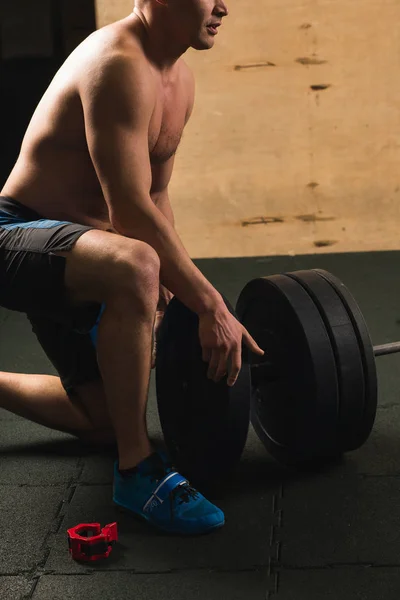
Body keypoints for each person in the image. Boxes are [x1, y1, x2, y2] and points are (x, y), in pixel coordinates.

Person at [0, 0, 263, 535]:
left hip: (83, 252)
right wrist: (209, 304)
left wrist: (171, 293)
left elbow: (157, 197)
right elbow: (129, 212)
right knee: (137, 263)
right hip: (15, 237)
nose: (223, 7)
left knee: (102, 419)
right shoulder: (116, 62)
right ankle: (137, 472)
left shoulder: (179, 79)